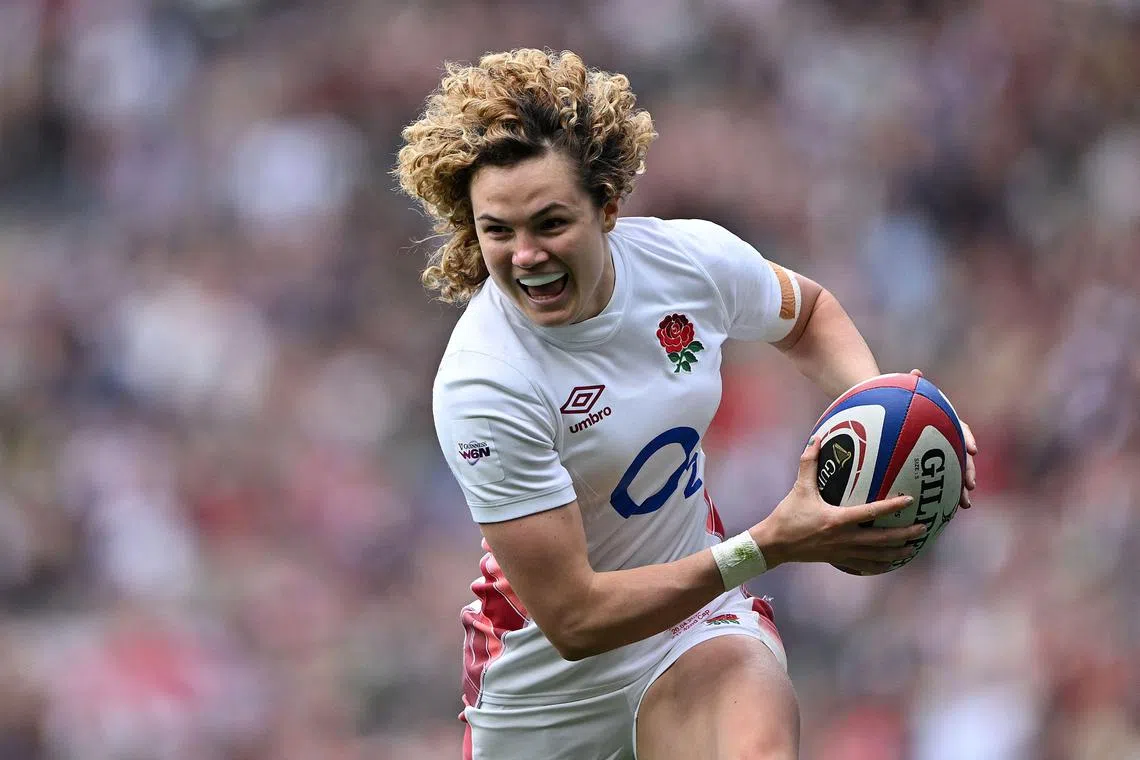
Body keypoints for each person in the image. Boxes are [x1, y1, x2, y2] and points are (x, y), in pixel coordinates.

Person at [395, 48, 977, 760]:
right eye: (498, 232)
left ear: (607, 206)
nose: (525, 255)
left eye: (551, 224)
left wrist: (888, 422)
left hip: (696, 622)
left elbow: (808, 314)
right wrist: (767, 545)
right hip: (547, 692)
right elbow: (575, 617)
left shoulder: (686, 263)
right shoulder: (485, 381)